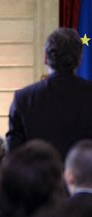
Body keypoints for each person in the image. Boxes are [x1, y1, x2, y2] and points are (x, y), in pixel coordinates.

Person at [6, 28, 92, 158]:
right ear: (79, 60)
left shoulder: (23, 98)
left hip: (36, 177)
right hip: (85, 177)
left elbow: (14, 154)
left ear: (45, 58)